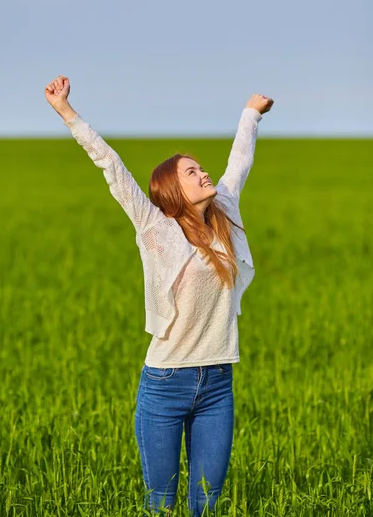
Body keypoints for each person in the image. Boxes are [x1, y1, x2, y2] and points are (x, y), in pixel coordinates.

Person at [45, 75, 274, 516]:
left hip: (217, 385)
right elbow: (111, 166)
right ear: (174, 190)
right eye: (192, 171)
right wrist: (66, 112)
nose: (204, 172)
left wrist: (250, 112)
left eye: (200, 167)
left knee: (206, 502)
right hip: (165, 385)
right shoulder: (156, 230)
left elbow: (240, 161)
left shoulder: (224, 212)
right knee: (160, 505)